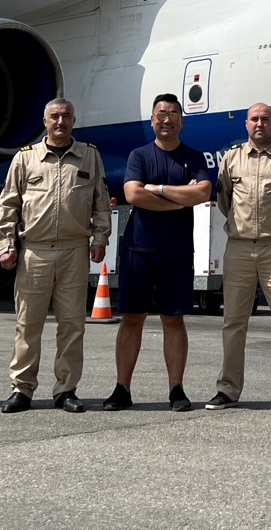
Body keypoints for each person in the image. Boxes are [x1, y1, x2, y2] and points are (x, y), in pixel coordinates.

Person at [0, 99, 110, 414]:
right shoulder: (25, 159)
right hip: (34, 250)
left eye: (66, 117)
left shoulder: (90, 156)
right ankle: (21, 389)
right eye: (54, 117)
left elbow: (101, 201)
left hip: (74, 249)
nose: (61, 122)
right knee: (28, 324)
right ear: (44, 121)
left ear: (74, 120)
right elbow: (8, 204)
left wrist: (100, 236)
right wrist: (5, 244)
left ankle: (66, 390)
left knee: (72, 325)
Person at [103, 93, 213, 412]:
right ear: (152, 120)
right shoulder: (139, 155)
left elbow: (203, 192)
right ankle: (122, 388)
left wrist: (159, 190)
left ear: (181, 119)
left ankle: (176, 389)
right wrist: (181, 198)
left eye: (173, 113)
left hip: (176, 251)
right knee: (132, 319)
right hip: (139, 248)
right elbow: (132, 193)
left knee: (173, 319)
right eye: (160, 113)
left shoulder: (193, 157)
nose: (166, 118)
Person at [205, 103, 271, 413]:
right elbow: (225, 201)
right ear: (246, 124)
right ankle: (227, 389)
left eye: (265, 118)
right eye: (255, 119)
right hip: (239, 247)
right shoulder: (231, 158)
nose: (260, 123)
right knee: (234, 322)